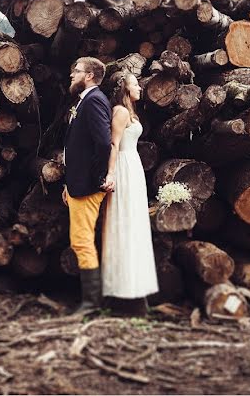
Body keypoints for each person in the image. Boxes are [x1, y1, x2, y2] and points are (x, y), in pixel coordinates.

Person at [100, 73, 158, 314]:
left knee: (135, 225)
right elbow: (113, 144)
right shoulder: (121, 112)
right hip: (123, 167)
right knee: (122, 224)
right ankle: (121, 293)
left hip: (133, 168)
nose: (139, 87)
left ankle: (135, 288)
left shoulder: (130, 111)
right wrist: (111, 174)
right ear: (124, 89)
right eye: (135, 84)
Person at [62, 57, 112, 315]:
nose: (72, 75)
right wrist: (69, 182)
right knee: (81, 239)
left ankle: (92, 304)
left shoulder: (94, 101)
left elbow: (104, 143)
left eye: (77, 70)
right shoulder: (86, 100)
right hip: (77, 184)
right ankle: (93, 301)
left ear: (90, 76)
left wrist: (95, 179)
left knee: (82, 241)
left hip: (88, 185)